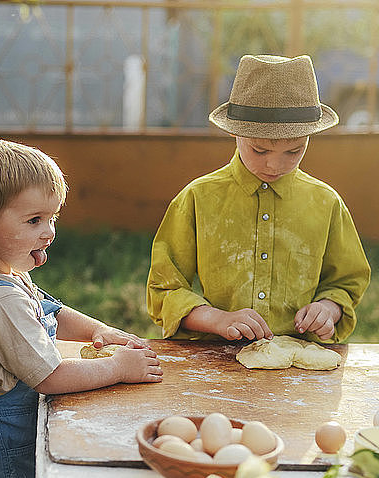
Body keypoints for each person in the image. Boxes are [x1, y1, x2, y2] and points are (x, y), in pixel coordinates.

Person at [0, 138, 162, 478]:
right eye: (35, 220)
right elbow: (50, 376)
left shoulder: (4, 274)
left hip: (2, 432)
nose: (50, 232)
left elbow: (52, 312)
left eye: (52, 218)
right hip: (3, 443)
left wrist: (100, 331)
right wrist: (118, 368)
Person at [147, 54, 370, 344]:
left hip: (301, 366)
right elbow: (164, 290)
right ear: (234, 132)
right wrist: (218, 319)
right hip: (215, 363)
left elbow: (346, 282)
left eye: (294, 152)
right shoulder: (197, 199)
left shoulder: (326, 204)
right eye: (259, 150)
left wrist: (329, 309)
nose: (274, 166)